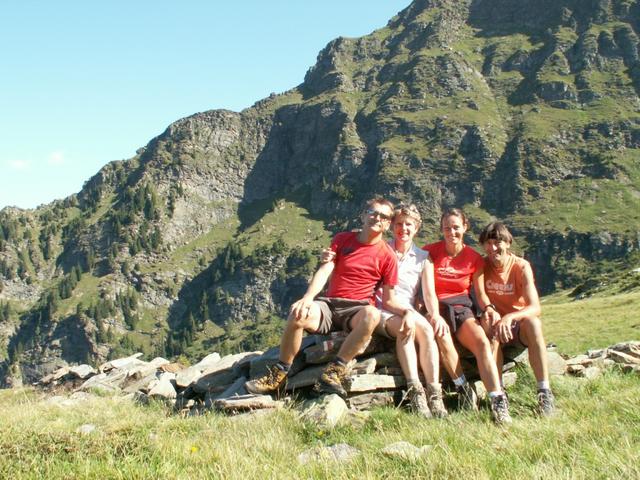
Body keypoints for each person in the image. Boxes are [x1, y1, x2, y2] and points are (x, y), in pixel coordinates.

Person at [245, 197, 411, 398]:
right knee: (298, 313)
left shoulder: (388, 256)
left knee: (372, 315)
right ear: (363, 215)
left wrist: (406, 313)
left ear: (387, 224)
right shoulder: (342, 240)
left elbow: (389, 299)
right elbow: (326, 269)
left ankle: (333, 373)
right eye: (373, 213)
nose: (377, 218)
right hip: (329, 306)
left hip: (356, 310)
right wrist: (307, 298)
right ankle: (279, 375)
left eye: (383, 216)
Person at [322, 204, 449, 418]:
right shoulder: (381, 248)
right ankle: (415, 389)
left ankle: (434, 393)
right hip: (379, 308)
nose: (403, 229)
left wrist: (435, 315)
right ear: (392, 226)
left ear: (416, 228)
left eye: (408, 224)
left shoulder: (423, 258)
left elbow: (429, 294)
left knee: (427, 331)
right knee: (404, 329)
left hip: (405, 308)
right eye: (399, 224)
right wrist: (329, 255)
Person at [423, 208, 512, 425]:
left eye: (455, 227)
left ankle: (497, 400)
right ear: (441, 230)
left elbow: (480, 292)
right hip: (436, 305)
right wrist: (432, 313)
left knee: (481, 342)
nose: (451, 232)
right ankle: (462, 388)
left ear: (465, 227)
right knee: (442, 336)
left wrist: (489, 308)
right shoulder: (430, 252)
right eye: (447, 228)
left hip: (462, 307)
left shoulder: (473, 258)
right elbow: (424, 286)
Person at [479, 221, 555, 416]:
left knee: (534, 323)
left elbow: (535, 307)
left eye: (498, 242)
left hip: (517, 326)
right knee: (489, 326)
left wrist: (511, 317)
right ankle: (499, 395)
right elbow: (479, 296)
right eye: (488, 243)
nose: (493, 248)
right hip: (496, 325)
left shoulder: (521, 266)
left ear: (508, 243)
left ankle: (544, 392)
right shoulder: (482, 265)